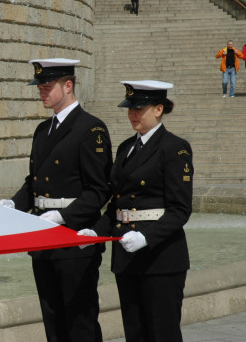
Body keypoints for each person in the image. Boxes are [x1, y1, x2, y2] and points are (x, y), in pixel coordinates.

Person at [0, 58, 113, 342]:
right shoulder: (42, 131)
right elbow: (33, 182)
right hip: (42, 238)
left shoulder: (90, 129)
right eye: (40, 87)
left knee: (80, 325)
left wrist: (63, 216)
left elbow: (100, 190)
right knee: (53, 322)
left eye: (47, 87)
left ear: (68, 85)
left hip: (75, 240)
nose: (42, 92)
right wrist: (13, 204)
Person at [78, 80, 193, 342]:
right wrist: (94, 232)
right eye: (130, 108)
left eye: (139, 108)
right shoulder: (126, 148)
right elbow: (118, 204)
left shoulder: (174, 148)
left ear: (158, 109)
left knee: (162, 333)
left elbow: (180, 209)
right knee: (135, 333)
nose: (132, 114)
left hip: (160, 258)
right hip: (127, 256)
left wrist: (147, 237)